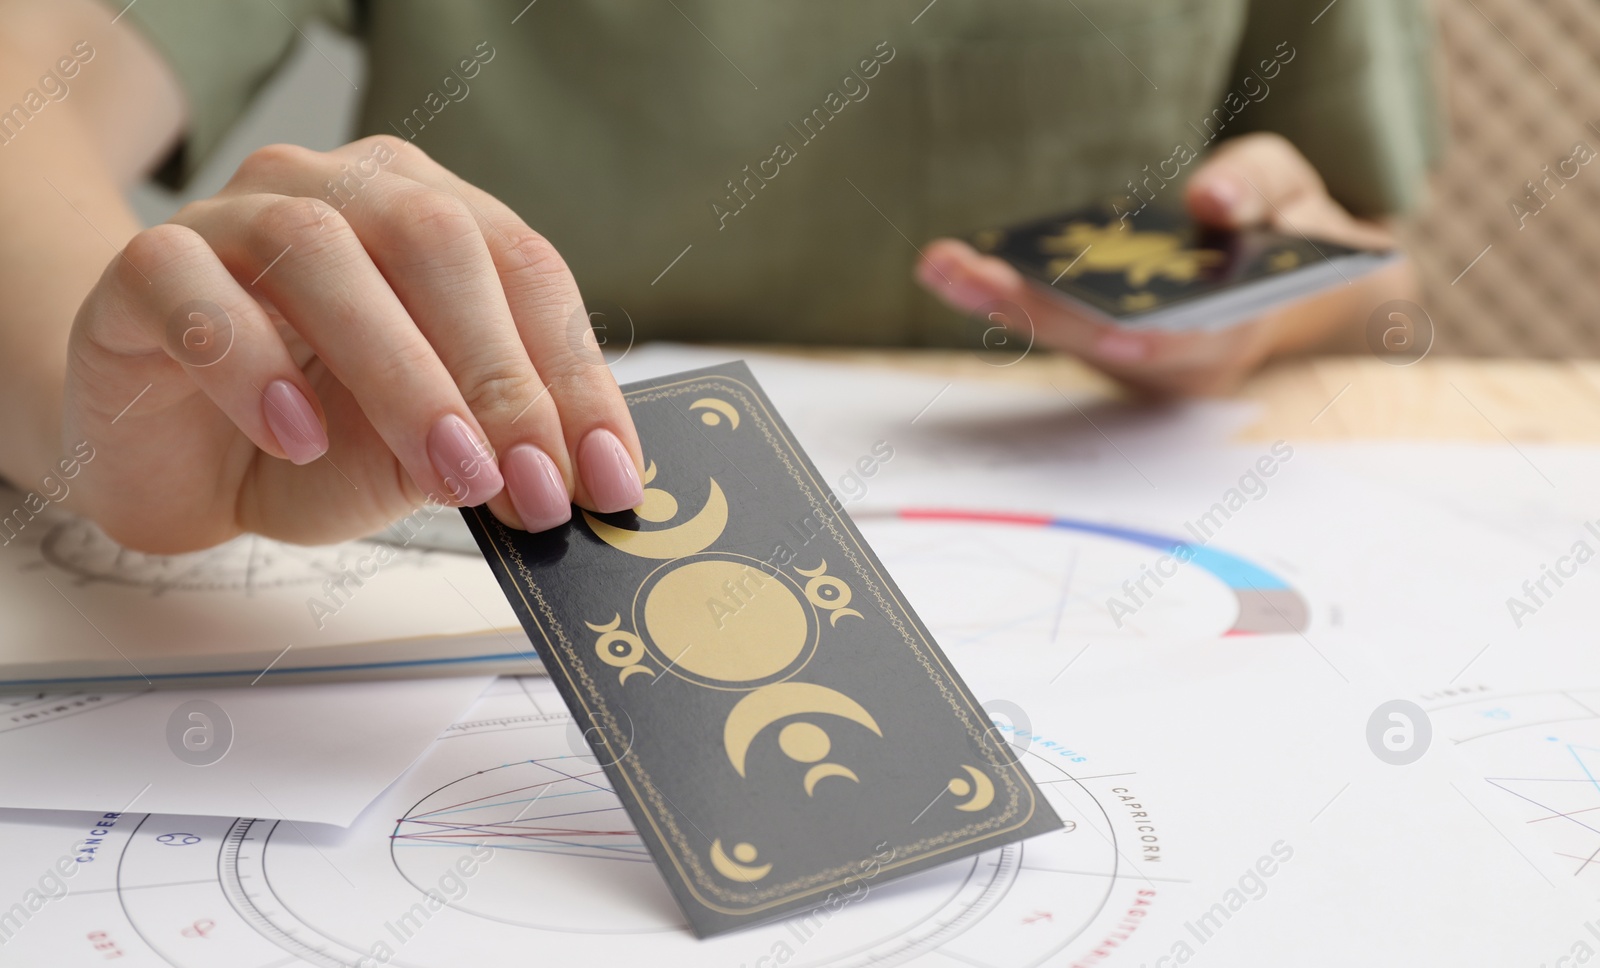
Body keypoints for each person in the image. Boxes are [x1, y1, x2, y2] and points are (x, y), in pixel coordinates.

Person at [0, 0, 1437, 551]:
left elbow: (1390, 278)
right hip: (459, 568)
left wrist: (1260, 299)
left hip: (1127, 548)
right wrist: (102, 417)